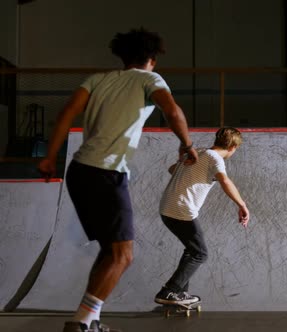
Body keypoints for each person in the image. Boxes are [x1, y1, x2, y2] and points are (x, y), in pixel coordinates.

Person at [37, 27, 198, 332]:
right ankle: (82, 322)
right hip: (106, 172)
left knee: (109, 251)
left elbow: (66, 114)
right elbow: (173, 111)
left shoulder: (97, 80)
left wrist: (48, 157)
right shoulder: (150, 79)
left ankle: (90, 320)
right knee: (123, 256)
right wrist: (187, 145)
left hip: (79, 171)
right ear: (152, 59)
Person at [154, 127, 249, 306]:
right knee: (200, 253)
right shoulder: (215, 158)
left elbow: (172, 169)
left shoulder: (197, 152)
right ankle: (169, 291)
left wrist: (182, 162)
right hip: (180, 209)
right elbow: (225, 181)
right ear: (233, 147)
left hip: (168, 207)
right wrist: (242, 205)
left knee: (192, 250)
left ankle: (180, 293)